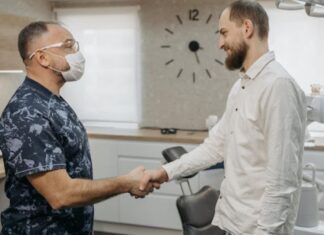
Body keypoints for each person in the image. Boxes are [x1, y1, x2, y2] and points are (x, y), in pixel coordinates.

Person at [140, 1, 307, 234]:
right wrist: (166, 172)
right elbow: (214, 147)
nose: (220, 43)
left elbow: (282, 182)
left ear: (247, 28)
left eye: (224, 33)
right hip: (231, 223)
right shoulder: (240, 88)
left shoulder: (278, 86)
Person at [0, 21, 154, 234]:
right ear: (43, 57)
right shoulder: (27, 112)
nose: (76, 54)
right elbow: (61, 194)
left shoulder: (51, 101)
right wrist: (126, 183)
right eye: (68, 46)